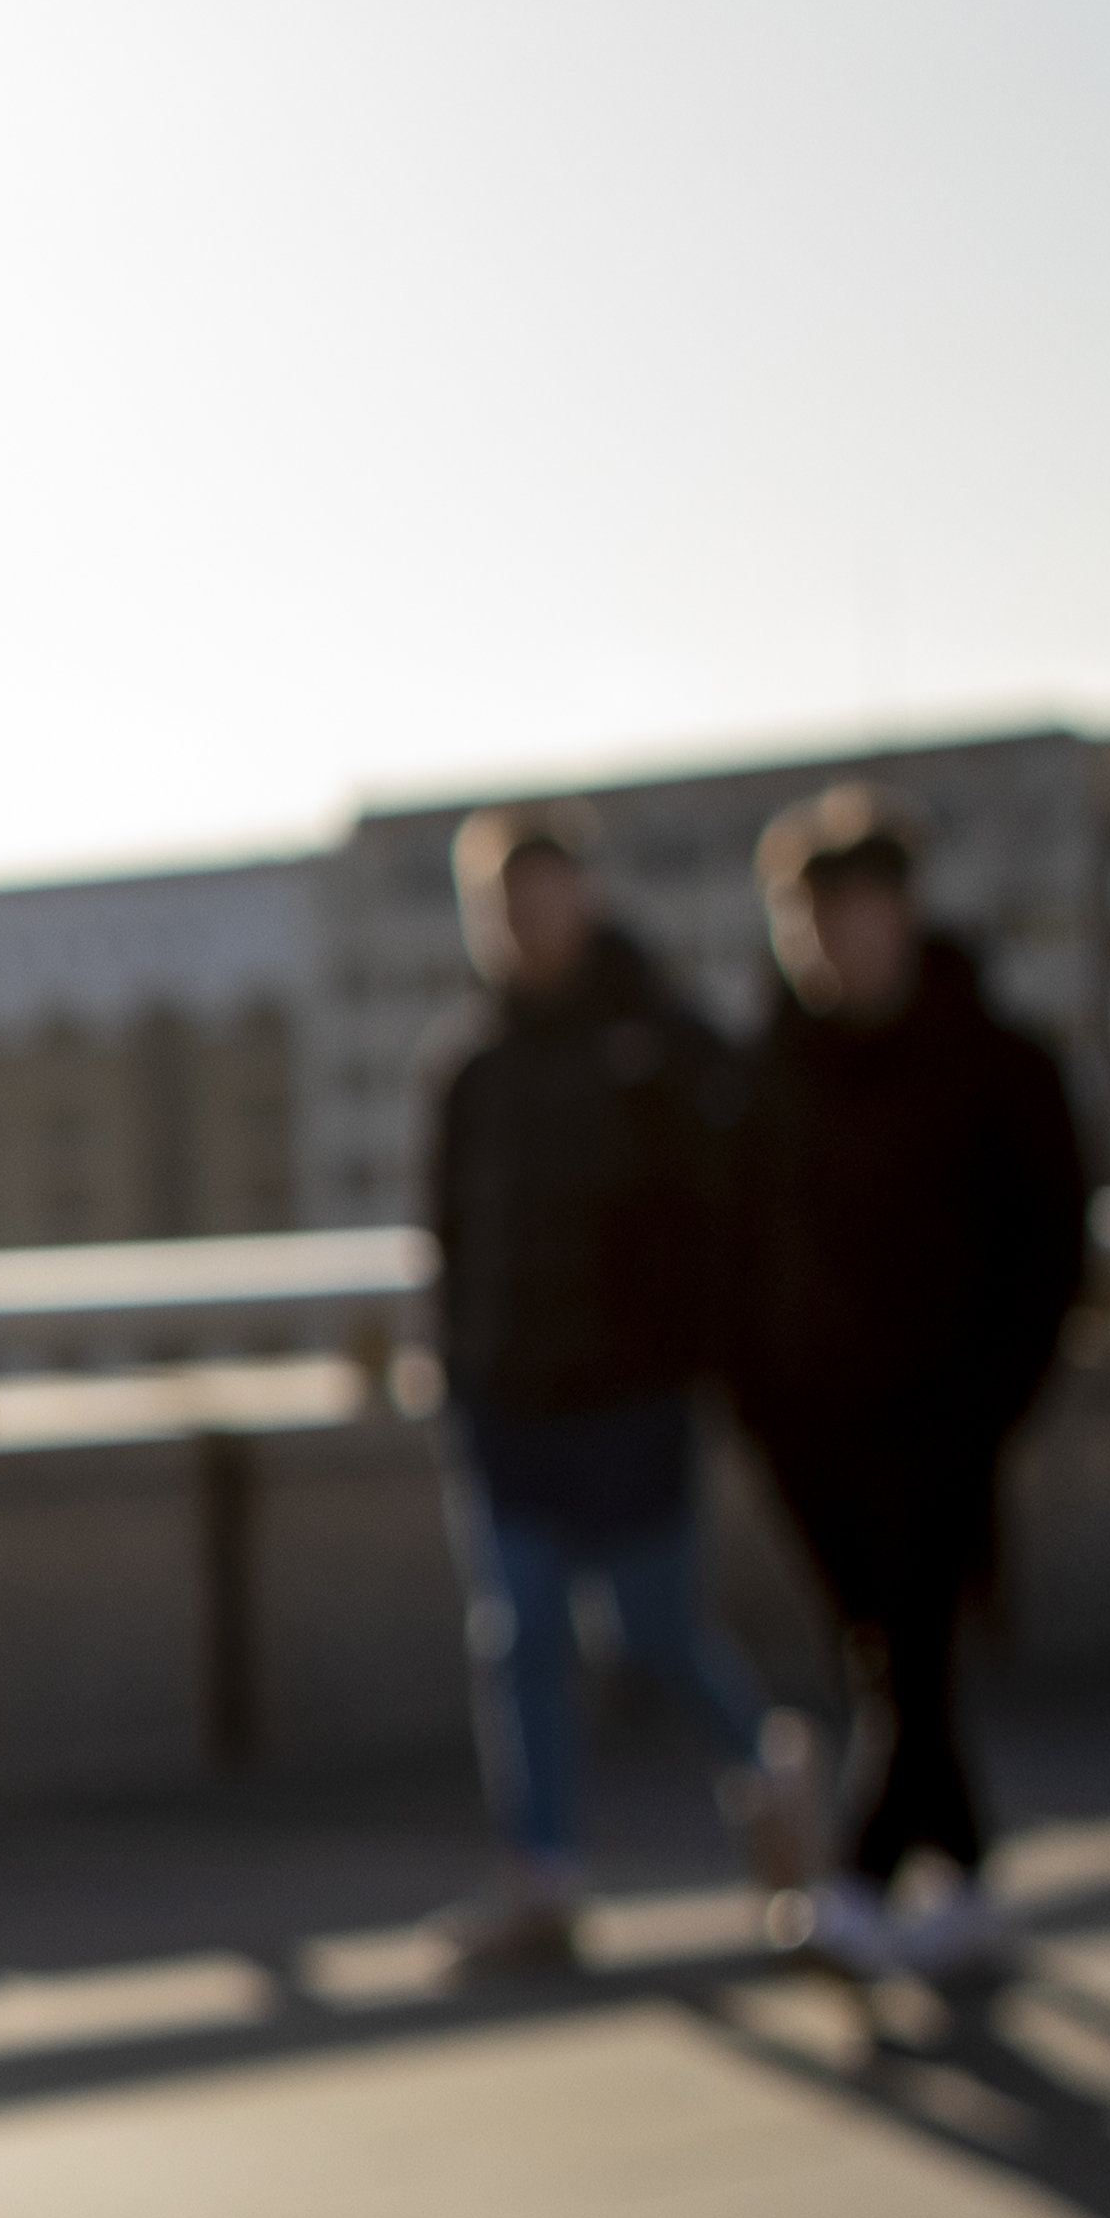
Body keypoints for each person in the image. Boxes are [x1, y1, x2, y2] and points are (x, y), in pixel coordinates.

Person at [418, 806, 821, 1974]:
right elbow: (447, 1231)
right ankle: (541, 1877)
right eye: (500, 908)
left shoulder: (660, 1039)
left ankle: (765, 1772)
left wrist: (680, 1350)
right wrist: (458, 1365)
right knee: (521, 1635)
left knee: (652, 1629)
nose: (522, 928)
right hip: (507, 1400)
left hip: (628, 1398)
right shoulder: (470, 1062)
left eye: (539, 901)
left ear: (582, 900)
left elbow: (726, 1211)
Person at [718, 786, 1088, 1981]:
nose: (833, 939)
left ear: (903, 915)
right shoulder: (767, 1069)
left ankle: (862, 1887)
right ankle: (967, 1878)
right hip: (811, 1424)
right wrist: (758, 1397)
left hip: (944, 1413)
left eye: (855, 912)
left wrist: (995, 1395)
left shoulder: (995, 1062)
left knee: (910, 1647)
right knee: (884, 1652)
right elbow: (723, 1250)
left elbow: (1051, 1245)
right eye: (811, 917)